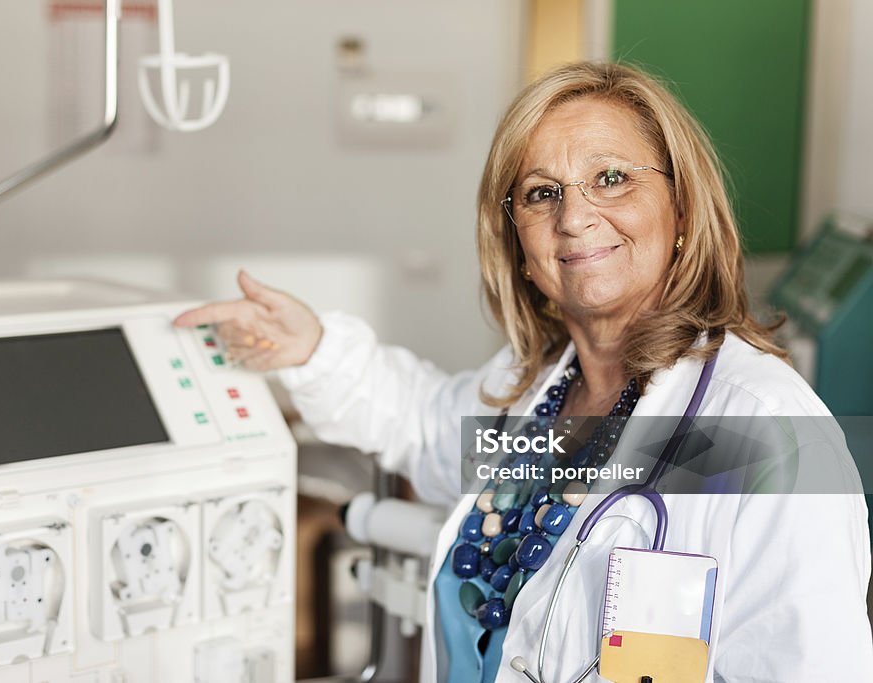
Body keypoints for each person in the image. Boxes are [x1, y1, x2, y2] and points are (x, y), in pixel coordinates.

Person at [175, 62, 873, 682]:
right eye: (541, 193)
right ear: (519, 245)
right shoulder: (537, 394)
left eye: (611, 178)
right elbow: (422, 422)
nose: (574, 217)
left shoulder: (770, 432)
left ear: (682, 209)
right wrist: (312, 348)